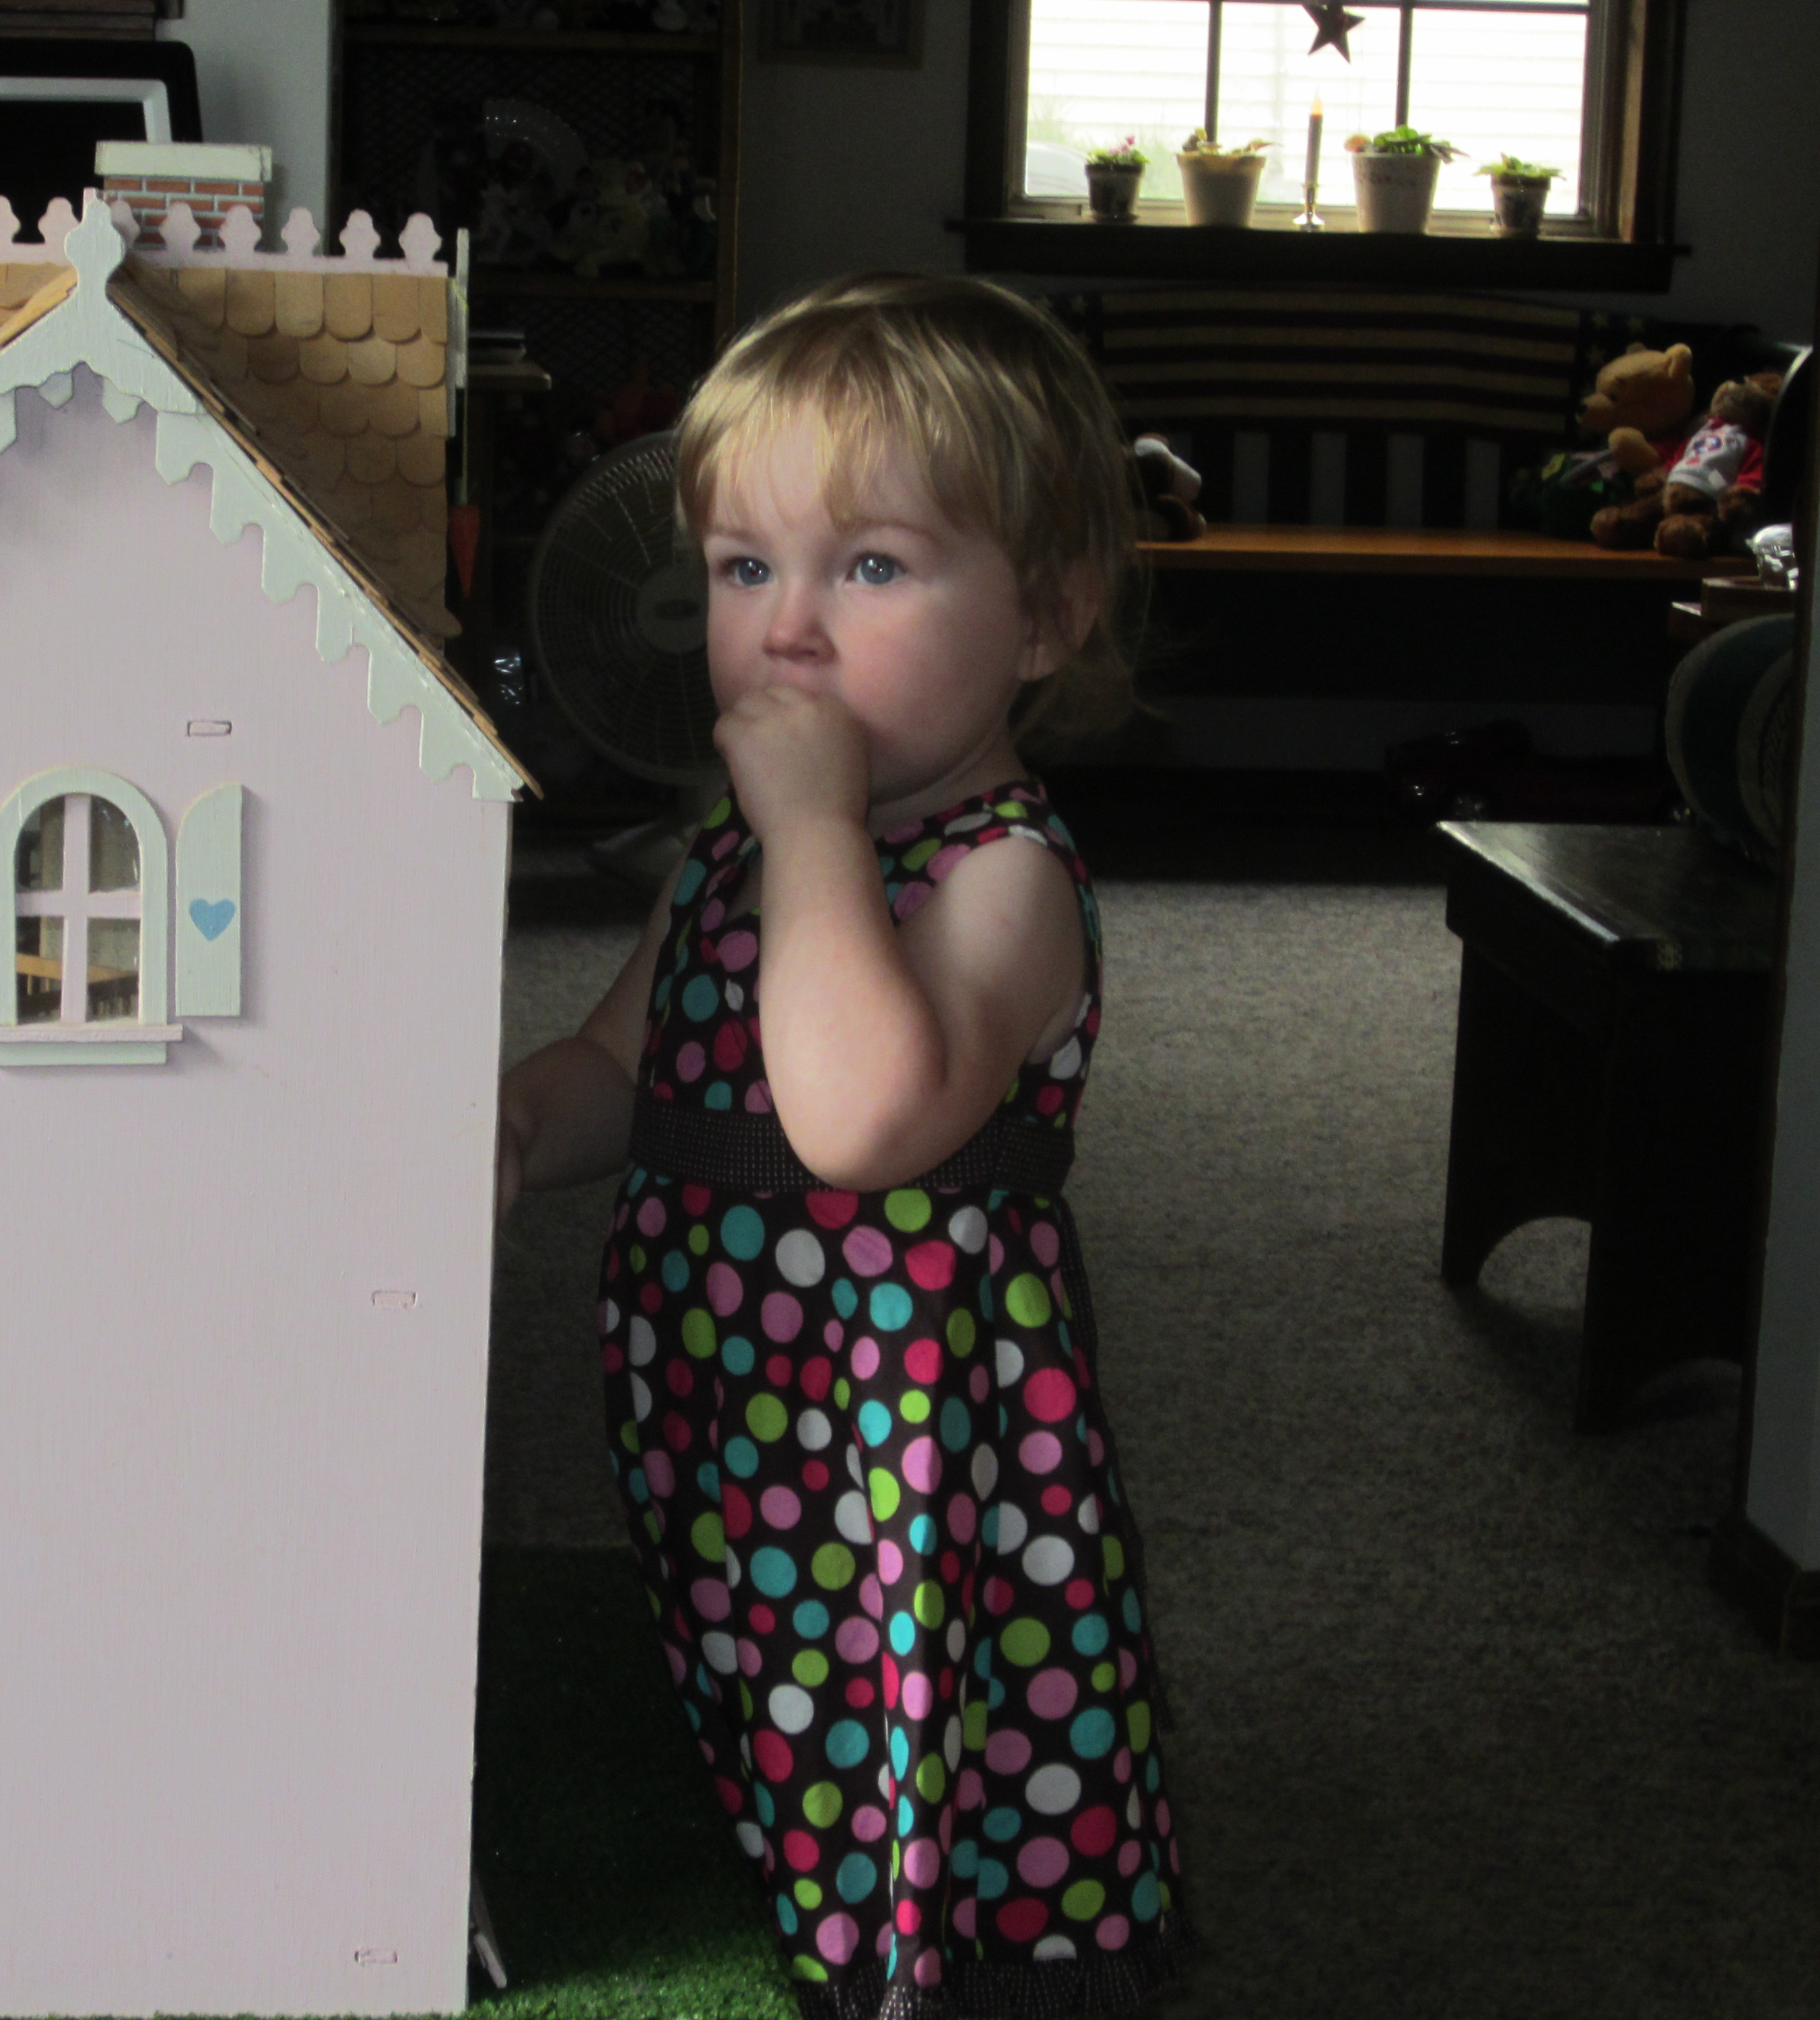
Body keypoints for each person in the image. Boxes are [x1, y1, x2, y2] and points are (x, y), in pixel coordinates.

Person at [496, 273, 1188, 2019]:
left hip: (900, 1450)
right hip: (734, 1404)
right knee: (762, 1681)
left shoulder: (1000, 876)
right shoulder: (731, 860)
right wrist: (512, 1121)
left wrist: (809, 835)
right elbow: (621, 1064)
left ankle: (953, 1966)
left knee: (911, 1713)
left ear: (1046, 618)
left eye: (869, 569)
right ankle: (798, 1888)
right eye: (745, 569)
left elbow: (859, 1117)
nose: (787, 632)